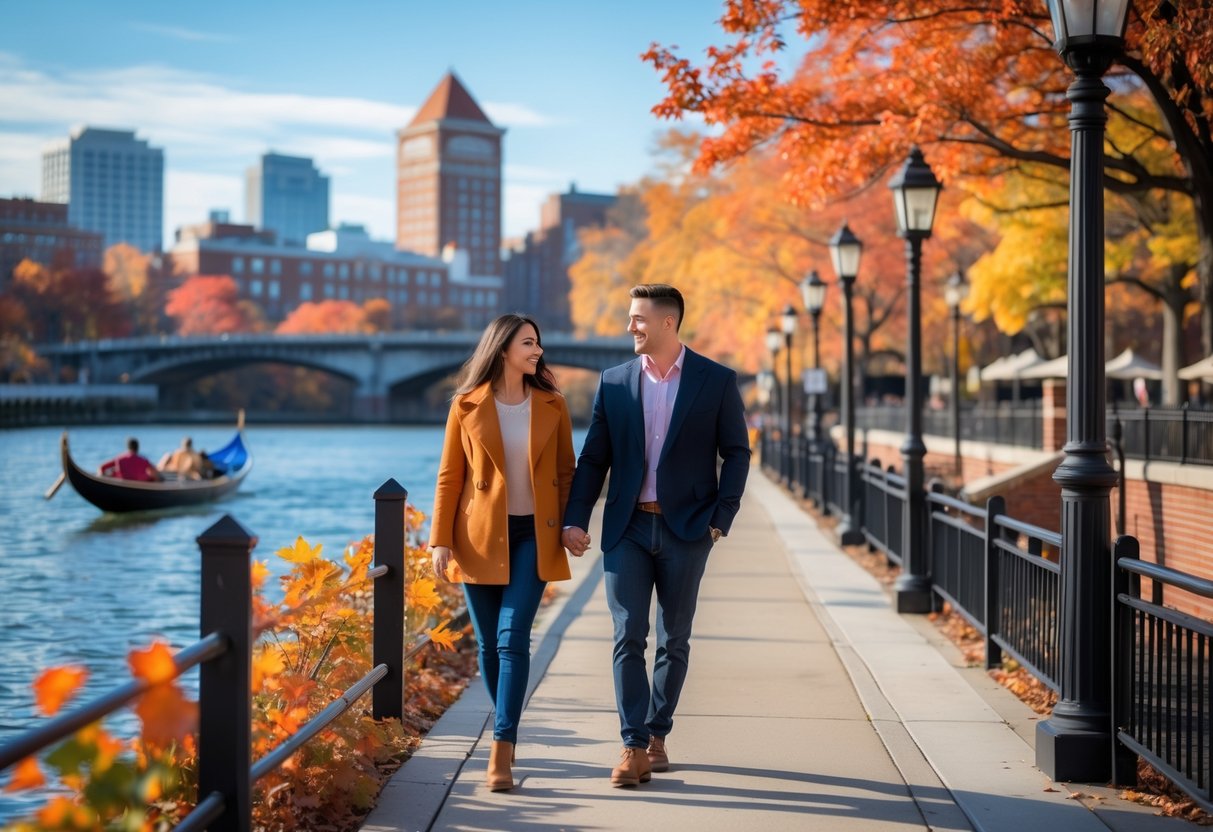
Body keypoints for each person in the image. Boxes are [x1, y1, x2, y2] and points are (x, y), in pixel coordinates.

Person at [562, 283, 750, 787]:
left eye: (638, 318)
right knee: (628, 635)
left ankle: (658, 734)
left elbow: (737, 452)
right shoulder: (615, 381)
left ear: (668, 322)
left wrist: (721, 517)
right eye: (629, 317)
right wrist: (575, 518)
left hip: (688, 529)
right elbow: (593, 458)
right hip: (626, 526)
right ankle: (632, 744)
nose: (630, 327)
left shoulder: (715, 380)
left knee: (675, 638)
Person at [429, 313, 577, 792]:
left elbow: (567, 473)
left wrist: (573, 525)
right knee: (489, 648)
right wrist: (439, 541)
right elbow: (450, 476)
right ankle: (507, 722)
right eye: (528, 343)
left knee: (514, 639)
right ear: (502, 349)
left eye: (538, 342)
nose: (537, 351)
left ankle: (501, 747)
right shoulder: (465, 405)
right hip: (477, 539)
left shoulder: (553, 404)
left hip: (535, 534)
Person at [98, 437, 162, 482]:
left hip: (122, 483)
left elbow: (102, 467)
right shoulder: (144, 461)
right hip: (141, 485)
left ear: (127, 447)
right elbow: (156, 473)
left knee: (112, 472)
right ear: (138, 448)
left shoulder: (119, 459)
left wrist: (102, 479)